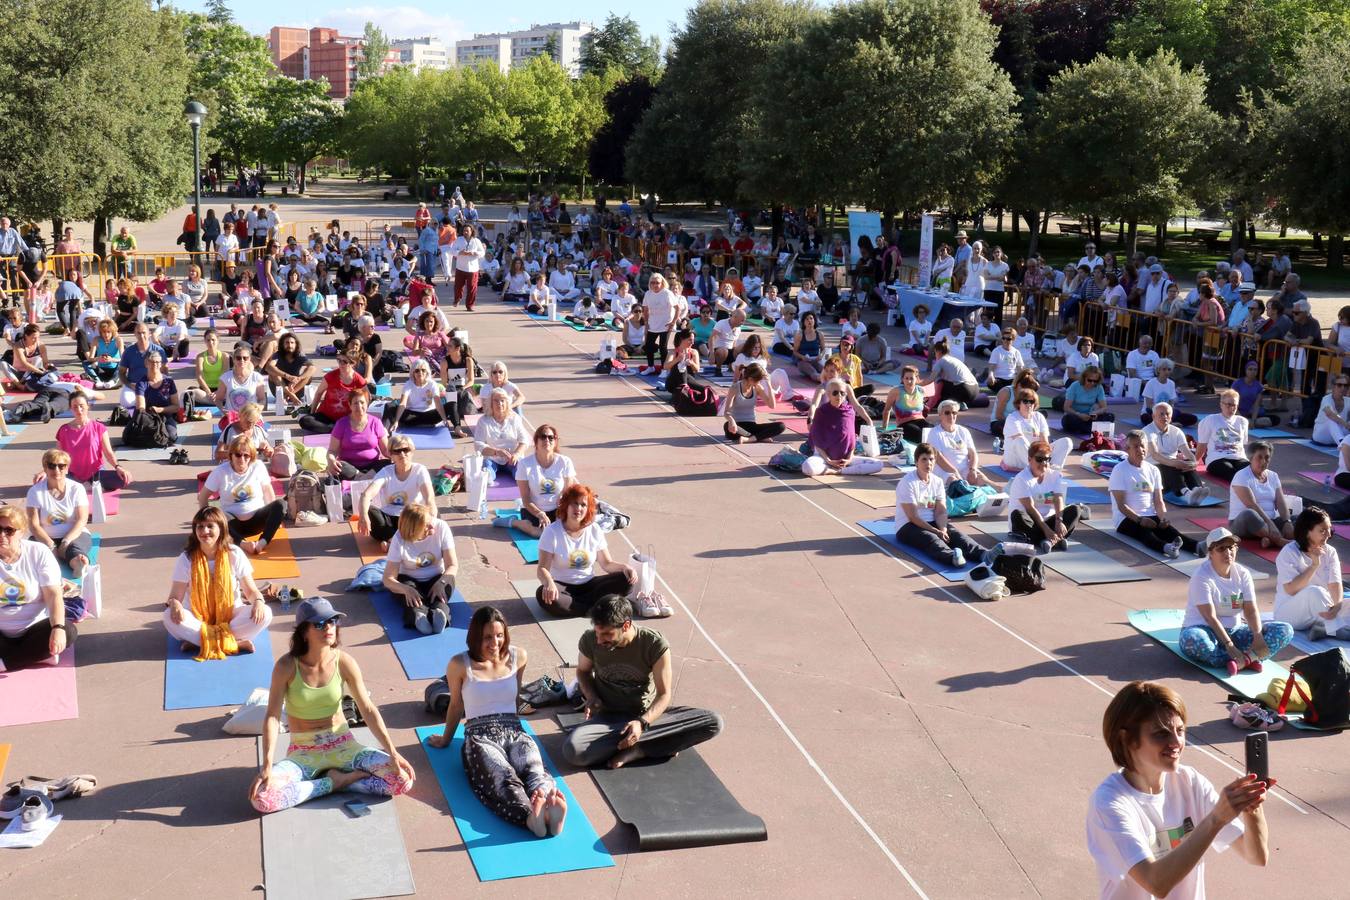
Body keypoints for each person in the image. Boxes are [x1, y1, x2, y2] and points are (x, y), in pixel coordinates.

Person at [1087, 680, 1272, 899]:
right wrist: (1215, 819)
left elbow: (1255, 856)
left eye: (1180, 730)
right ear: (1126, 738)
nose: (1176, 742)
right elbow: (1155, 883)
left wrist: (1251, 807)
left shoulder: (1190, 781)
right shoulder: (1109, 804)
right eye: (1161, 734)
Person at [251, 597, 414, 813]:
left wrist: (393, 753)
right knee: (263, 799)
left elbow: (367, 708)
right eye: (319, 624)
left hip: (344, 746)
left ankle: (342, 782)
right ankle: (334, 783)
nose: (329, 627)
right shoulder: (286, 666)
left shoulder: (344, 661)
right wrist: (267, 765)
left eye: (333, 621)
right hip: (304, 752)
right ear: (303, 631)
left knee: (402, 781)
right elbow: (272, 716)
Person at [426, 606, 566, 835]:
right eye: (487, 637)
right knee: (503, 775)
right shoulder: (459, 664)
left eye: (499, 635)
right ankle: (531, 817)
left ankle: (550, 810)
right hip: (479, 736)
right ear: (475, 638)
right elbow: (456, 705)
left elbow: (515, 695)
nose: (495, 643)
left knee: (533, 767)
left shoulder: (518, 656)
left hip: (514, 729)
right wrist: (445, 739)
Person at [561, 595, 722, 769]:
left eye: (607, 634)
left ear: (626, 625)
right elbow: (583, 672)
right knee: (573, 751)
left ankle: (640, 748)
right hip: (607, 720)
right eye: (598, 633)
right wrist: (591, 697)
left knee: (713, 722)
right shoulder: (590, 639)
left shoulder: (654, 644)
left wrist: (642, 723)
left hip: (646, 717)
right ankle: (654, 743)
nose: (600, 640)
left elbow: (664, 694)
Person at [1179, 526, 1293, 674]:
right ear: (1210, 553)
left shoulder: (1242, 573)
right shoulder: (1201, 577)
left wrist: (1257, 636)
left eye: (1231, 547)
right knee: (1192, 640)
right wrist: (1229, 645)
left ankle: (1242, 660)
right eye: (1221, 549)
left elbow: (1250, 609)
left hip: (1236, 631)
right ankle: (1249, 658)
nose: (1228, 552)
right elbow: (1210, 617)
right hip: (1206, 630)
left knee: (1284, 630)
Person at [164, 507, 271, 658]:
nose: (204, 531)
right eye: (200, 526)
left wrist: (259, 601)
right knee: (168, 616)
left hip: (231, 614)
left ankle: (199, 641)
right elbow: (174, 596)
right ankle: (234, 643)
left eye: (210, 526)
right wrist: (174, 604)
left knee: (265, 613)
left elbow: (250, 590)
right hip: (197, 617)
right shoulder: (186, 558)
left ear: (221, 528)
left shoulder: (234, 553)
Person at [535, 484, 635, 617]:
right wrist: (548, 583)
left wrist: (625, 567)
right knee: (544, 595)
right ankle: (597, 607)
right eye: (574, 504)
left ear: (589, 509)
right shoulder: (551, 531)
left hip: (590, 585)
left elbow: (607, 564)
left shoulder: (594, 529)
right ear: (566, 505)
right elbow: (542, 569)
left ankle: (581, 607)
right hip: (562, 587)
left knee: (626, 580)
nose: (578, 508)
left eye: (583, 505)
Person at [896, 443, 997, 568]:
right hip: (908, 526)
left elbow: (941, 511)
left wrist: (942, 529)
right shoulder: (907, 482)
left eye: (931, 459)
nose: (928, 463)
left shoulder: (937, 482)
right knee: (931, 538)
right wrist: (936, 531)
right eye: (924, 459)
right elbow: (913, 516)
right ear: (916, 462)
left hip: (933, 521)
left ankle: (983, 554)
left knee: (956, 534)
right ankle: (952, 557)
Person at [0, 506, 72, 672]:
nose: (2, 535)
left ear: (21, 532)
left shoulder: (38, 552)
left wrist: (57, 629)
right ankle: (36, 655)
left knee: (67, 630)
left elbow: (54, 595)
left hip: (34, 629)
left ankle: (5, 663)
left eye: (9, 531)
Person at [1109, 431, 1201, 558]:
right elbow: (1121, 505)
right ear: (1127, 449)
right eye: (1136, 446)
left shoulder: (1153, 470)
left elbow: (1158, 501)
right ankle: (1166, 548)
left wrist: (1163, 518)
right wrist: (1140, 520)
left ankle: (1197, 546)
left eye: (1142, 446)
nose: (1140, 449)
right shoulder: (1119, 470)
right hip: (1125, 518)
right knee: (1145, 533)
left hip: (1149, 514)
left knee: (1170, 531)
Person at [1273, 506, 1350, 641]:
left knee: (1345, 602)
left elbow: (1335, 583)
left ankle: (1323, 627)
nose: (1328, 535)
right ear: (1307, 532)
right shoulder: (1288, 552)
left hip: (1321, 609)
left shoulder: (1330, 551)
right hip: (1290, 613)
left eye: (1329, 529)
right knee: (1315, 592)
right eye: (1322, 531)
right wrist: (1314, 565)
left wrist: (1337, 606)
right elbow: (1290, 589)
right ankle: (1336, 629)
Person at [380, 502, 458, 635]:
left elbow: (452, 565)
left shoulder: (441, 527)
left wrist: (442, 582)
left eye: (430, 521)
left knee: (442, 594)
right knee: (412, 600)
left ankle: (440, 613)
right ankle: (418, 616)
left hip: (437, 577)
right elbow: (388, 579)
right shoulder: (399, 539)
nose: (431, 526)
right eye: (426, 526)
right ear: (413, 530)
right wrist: (406, 589)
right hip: (409, 580)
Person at [200, 435, 285, 555]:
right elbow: (203, 496)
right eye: (238, 455)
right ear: (231, 455)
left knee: (281, 504)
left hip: (257, 520)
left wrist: (274, 519)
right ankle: (243, 544)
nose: (242, 459)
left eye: (246, 455)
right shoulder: (220, 472)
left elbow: (267, 490)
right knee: (215, 514)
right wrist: (205, 522)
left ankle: (263, 542)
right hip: (232, 524)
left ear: (251, 457)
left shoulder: (258, 466)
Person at [356, 434, 435, 547]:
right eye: (397, 451)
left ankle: (392, 542)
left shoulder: (420, 470)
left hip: (412, 517)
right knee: (370, 511)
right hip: (389, 519)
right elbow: (366, 495)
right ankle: (400, 541)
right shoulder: (385, 472)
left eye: (405, 450)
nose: (402, 454)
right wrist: (363, 516)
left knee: (430, 519)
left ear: (412, 452)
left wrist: (430, 520)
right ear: (391, 455)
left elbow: (429, 498)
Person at [25, 449, 93, 580]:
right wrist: (50, 545)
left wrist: (66, 542)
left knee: (75, 548)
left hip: (74, 534)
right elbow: (34, 525)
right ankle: (47, 566)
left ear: (67, 469)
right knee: (40, 551)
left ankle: (79, 564)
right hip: (44, 536)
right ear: (45, 468)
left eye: (61, 466)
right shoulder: (35, 492)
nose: (57, 470)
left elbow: (82, 520)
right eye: (51, 465)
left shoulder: (77, 488)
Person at [500, 424, 577, 538]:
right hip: (535, 509)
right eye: (543, 437)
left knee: (567, 532)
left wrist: (562, 505)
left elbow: (568, 491)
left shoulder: (565, 462)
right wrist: (539, 513)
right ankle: (515, 522)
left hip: (558, 509)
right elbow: (526, 499)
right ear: (536, 441)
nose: (547, 440)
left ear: (555, 441)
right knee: (538, 533)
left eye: (551, 437)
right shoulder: (525, 464)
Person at [1008, 439, 1085, 552]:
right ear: (1030, 460)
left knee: (1076, 510)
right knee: (1018, 515)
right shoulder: (1021, 479)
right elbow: (1030, 509)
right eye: (1039, 459)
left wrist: (1059, 521)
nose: (1044, 463)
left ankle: (1047, 540)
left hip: (1048, 520)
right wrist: (1046, 530)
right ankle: (1051, 539)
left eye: (1047, 459)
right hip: (1031, 521)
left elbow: (1058, 498)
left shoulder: (1055, 475)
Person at [801, 378, 883, 476]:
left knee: (878, 464)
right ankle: (830, 467)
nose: (839, 396)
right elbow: (816, 441)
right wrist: (829, 460)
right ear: (828, 394)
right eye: (835, 393)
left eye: (842, 393)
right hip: (823, 458)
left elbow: (851, 440)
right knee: (807, 467)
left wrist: (849, 459)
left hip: (844, 459)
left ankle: (839, 471)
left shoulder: (849, 412)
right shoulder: (821, 412)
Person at [57, 392, 131, 492]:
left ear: (88, 406)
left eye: (81, 406)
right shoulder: (64, 430)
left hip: (96, 473)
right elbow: (58, 457)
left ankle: (86, 485)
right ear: (70, 408)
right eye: (75, 407)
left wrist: (118, 467)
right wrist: (46, 471)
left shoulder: (99, 427)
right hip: (72, 475)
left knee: (123, 479)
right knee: (49, 481)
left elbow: (108, 453)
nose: (79, 410)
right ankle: (84, 485)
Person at [1142, 402, 1209, 505]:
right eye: (1161, 414)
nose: (1165, 417)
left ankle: (1197, 489)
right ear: (1153, 416)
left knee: (1186, 463)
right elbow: (1155, 455)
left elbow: (1187, 452)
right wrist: (1175, 463)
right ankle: (1186, 493)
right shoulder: (1147, 431)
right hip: (1152, 468)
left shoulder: (1177, 431)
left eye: (1167, 414)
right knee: (1172, 465)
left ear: (1171, 416)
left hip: (1171, 466)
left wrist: (1193, 463)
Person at [1227, 441, 1292, 548]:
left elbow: (1280, 502)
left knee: (1299, 518)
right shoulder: (1241, 476)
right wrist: (1270, 525)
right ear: (1251, 458)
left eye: (1267, 457)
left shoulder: (1273, 476)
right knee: (1249, 514)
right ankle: (1279, 540)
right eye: (1259, 457)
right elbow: (1252, 505)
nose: (1263, 461)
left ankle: (1269, 539)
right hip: (1244, 523)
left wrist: (1287, 522)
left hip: (1270, 521)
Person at [326, 389, 390, 481]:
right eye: (355, 403)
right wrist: (331, 460)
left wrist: (399, 457)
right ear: (350, 405)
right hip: (349, 467)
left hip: (372, 467)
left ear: (367, 404)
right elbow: (332, 450)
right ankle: (366, 479)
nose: (359, 406)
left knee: (389, 464)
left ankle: (360, 479)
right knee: (339, 466)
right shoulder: (341, 424)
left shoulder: (376, 422)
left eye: (362, 402)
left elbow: (385, 450)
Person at [299, 351, 367, 434]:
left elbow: (366, 399)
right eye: (339, 360)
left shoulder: (359, 380)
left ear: (353, 363)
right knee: (305, 421)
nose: (341, 364)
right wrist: (312, 412)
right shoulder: (330, 376)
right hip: (326, 416)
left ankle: (337, 429)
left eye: (344, 362)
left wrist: (361, 416)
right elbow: (318, 393)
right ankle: (337, 430)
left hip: (346, 418)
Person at [929, 399, 988, 487]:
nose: (951, 415)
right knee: (956, 483)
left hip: (964, 469)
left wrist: (972, 470)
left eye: (954, 413)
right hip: (944, 470)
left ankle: (1002, 490)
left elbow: (972, 453)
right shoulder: (934, 433)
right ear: (940, 414)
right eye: (947, 413)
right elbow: (938, 458)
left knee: (982, 479)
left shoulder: (963, 431)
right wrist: (955, 472)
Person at [473, 389, 530, 482]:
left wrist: (516, 454)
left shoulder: (515, 418)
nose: (500, 403)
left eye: (502, 400)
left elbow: (524, 441)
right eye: (496, 400)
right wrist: (496, 452)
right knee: (486, 477)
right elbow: (478, 445)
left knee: (523, 477)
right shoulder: (483, 421)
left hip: (512, 459)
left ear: (507, 403)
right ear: (490, 403)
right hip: (492, 460)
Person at [382, 359, 451, 432]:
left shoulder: (432, 384)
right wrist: (396, 421)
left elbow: (438, 403)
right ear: (413, 373)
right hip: (411, 416)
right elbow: (403, 404)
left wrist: (444, 420)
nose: (420, 373)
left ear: (427, 372)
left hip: (429, 416)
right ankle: (385, 430)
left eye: (423, 370)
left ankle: (457, 428)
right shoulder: (408, 384)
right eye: (417, 370)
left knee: (452, 404)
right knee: (389, 405)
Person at [1196, 390, 1249, 482]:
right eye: (1228, 404)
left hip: (1238, 457)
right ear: (1221, 404)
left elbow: (1242, 444)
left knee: (1250, 472)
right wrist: (1194, 461)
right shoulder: (1210, 420)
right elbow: (1202, 444)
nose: (1231, 408)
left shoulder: (1243, 421)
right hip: (1217, 458)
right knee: (1231, 472)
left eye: (1234, 405)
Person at [722, 365, 783, 444]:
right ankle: (760, 437)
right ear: (751, 379)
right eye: (758, 381)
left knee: (781, 426)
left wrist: (769, 385)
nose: (759, 382)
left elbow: (772, 405)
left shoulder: (757, 387)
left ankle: (750, 439)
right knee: (727, 426)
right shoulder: (735, 388)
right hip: (737, 426)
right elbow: (727, 412)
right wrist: (731, 420)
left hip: (752, 426)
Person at [640, 272, 680, 376]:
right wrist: (646, 322)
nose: (655, 285)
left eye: (657, 282)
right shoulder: (648, 294)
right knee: (648, 346)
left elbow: (677, 308)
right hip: (652, 324)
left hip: (665, 324)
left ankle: (664, 369)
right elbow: (645, 308)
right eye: (652, 283)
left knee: (663, 347)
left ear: (662, 283)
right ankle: (650, 367)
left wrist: (673, 322)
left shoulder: (667, 293)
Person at [214, 343, 268, 416]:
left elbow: (262, 399)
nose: (242, 360)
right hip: (231, 417)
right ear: (233, 359)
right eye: (238, 358)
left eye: (245, 358)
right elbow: (218, 399)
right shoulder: (225, 377)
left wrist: (258, 409)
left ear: (249, 359)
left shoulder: (256, 377)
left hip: (251, 416)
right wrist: (223, 410)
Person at [922, 341, 980, 407]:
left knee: (939, 381)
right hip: (976, 390)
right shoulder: (954, 359)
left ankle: (955, 403)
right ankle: (960, 402)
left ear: (938, 351)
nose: (935, 355)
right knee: (945, 381)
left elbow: (930, 380)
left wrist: (916, 384)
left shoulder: (940, 361)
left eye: (934, 352)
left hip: (964, 390)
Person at [880, 365, 929, 443]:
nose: (909, 381)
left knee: (932, 432)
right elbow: (887, 410)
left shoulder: (921, 390)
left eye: (911, 378)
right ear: (902, 379)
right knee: (919, 436)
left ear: (916, 379)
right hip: (904, 424)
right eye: (906, 378)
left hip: (920, 420)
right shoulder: (895, 391)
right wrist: (884, 428)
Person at [1062, 366, 1114, 435]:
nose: (1092, 383)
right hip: (1076, 416)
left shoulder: (1099, 387)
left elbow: (1104, 407)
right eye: (1089, 380)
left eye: (1095, 381)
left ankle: (1088, 429)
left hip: (1090, 416)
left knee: (1110, 416)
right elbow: (1066, 408)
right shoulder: (1075, 386)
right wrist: (1079, 414)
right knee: (1069, 420)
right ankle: (1092, 429)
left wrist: (1095, 413)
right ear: (1084, 378)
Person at [1313, 373, 1350, 446]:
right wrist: (1345, 424)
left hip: (1338, 434)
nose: (1343, 388)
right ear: (1333, 387)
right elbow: (1330, 414)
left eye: (1345, 386)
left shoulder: (1348, 400)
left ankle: (1343, 443)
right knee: (1331, 420)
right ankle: (1343, 446)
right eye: (1339, 385)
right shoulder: (1326, 399)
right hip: (1322, 435)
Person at [792, 311, 825, 380]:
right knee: (813, 372)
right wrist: (802, 357)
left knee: (825, 370)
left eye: (811, 318)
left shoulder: (820, 334)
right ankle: (823, 381)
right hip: (803, 361)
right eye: (807, 319)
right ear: (803, 322)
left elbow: (823, 349)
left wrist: (821, 355)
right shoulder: (800, 335)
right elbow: (795, 352)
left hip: (815, 360)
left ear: (814, 321)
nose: (809, 321)